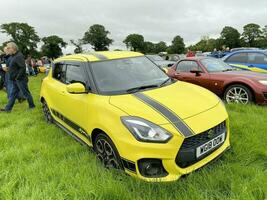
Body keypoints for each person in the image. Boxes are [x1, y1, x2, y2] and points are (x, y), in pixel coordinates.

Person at [0, 42, 35, 112]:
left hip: (20, 79)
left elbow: (22, 68)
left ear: (13, 48)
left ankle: (32, 106)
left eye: (8, 48)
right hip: (14, 79)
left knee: (26, 93)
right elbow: (15, 67)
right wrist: (8, 68)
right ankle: (8, 109)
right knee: (13, 94)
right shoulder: (13, 56)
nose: (7, 49)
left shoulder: (19, 56)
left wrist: (18, 77)